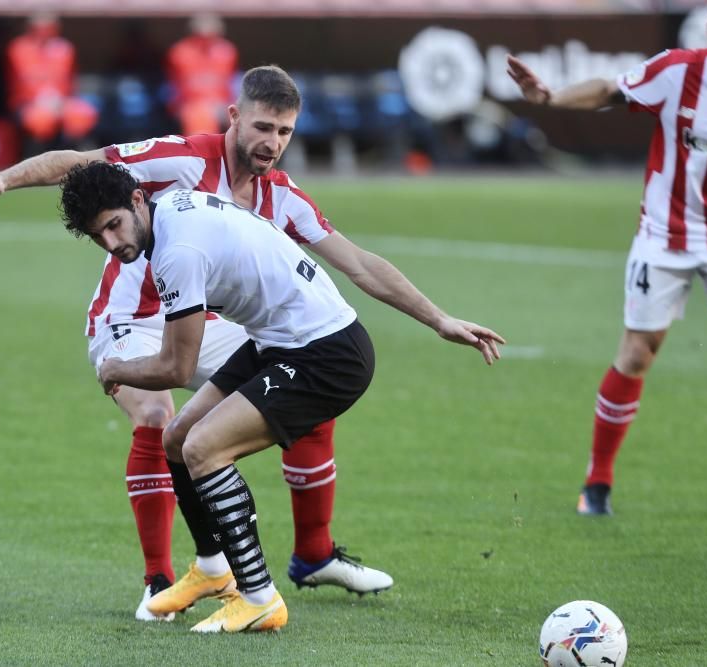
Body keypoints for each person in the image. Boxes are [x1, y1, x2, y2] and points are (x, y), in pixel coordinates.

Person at [0, 66, 423, 621]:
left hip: (203, 323)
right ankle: (161, 577)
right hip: (133, 317)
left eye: (284, 132)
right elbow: (85, 164)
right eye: (262, 127)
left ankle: (312, 554)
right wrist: (6, 179)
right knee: (157, 414)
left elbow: (362, 266)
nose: (272, 142)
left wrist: (439, 320)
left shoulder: (284, 198)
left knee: (302, 405)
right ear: (234, 118)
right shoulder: (179, 160)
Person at [58, 162, 505, 632]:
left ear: (134, 201)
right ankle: (212, 569)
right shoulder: (169, 206)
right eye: (98, 237)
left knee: (203, 448)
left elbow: (177, 367)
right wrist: (439, 320)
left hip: (326, 355)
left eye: (113, 226)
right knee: (177, 438)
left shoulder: (176, 250)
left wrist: (116, 369)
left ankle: (259, 598)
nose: (112, 244)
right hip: (280, 342)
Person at [506, 0, 707, 515]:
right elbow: (609, 90)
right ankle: (596, 484)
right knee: (637, 352)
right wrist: (551, 96)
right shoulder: (675, 73)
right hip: (664, 235)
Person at [5, 12, 98, 153]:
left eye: (49, 27)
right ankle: (36, 161)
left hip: (60, 101)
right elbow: (24, 81)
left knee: (82, 114)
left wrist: (60, 102)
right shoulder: (19, 48)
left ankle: (77, 160)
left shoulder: (65, 48)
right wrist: (46, 101)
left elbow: (70, 81)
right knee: (40, 120)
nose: (44, 32)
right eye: (39, 28)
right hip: (29, 103)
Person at [164, 14, 238, 135]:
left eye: (211, 37)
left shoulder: (227, 50)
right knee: (199, 116)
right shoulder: (180, 51)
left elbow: (229, 83)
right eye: (201, 38)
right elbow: (175, 86)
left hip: (221, 102)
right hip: (191, 103)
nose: (206, 42)